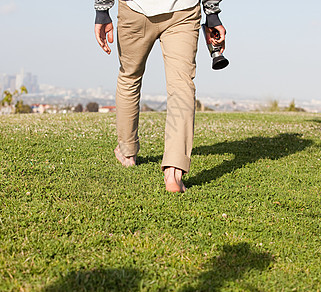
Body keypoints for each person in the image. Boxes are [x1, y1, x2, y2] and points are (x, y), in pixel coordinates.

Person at [94, 0, 226, 192]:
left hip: (135, 9)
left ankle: (127, 153)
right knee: (182, 85)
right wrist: (212, 14)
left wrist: (102, 10)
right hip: (183, 10)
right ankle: (174, 170)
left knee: (129, 77)